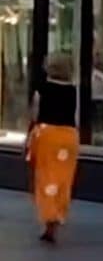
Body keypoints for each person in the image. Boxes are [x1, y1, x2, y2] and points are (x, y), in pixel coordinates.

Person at [25, 53, 80, 245]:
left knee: (46, 177)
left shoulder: (42, 89)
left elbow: (35, 113)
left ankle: (49, 219)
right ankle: (57, 216)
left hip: (48, 135)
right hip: (69, 137)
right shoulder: (73, 90)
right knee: (63, 179)